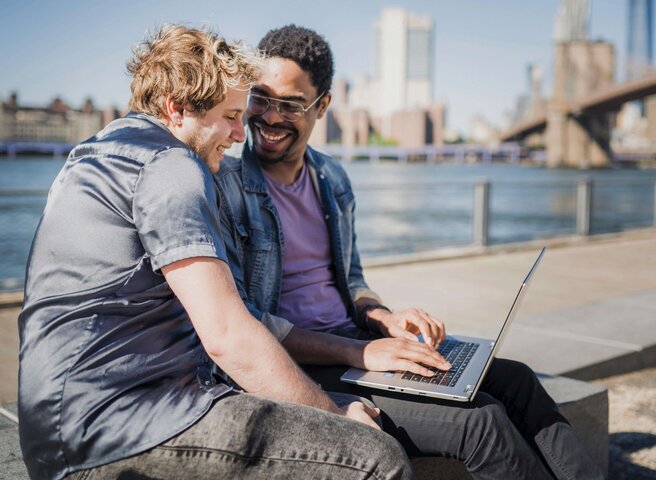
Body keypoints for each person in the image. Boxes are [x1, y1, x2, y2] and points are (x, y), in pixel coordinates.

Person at [17, 24, 413, 480]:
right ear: (177, 108)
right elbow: (227, 336)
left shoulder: (102, 149)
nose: (239, 133)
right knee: (374, 457)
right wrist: (336, 416)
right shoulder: (171, 168)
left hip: (67, 420)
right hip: (116, 424)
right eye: (229, 116)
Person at [215, 24, 605, 480]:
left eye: (291, 104)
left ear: (322, 106)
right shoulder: (227, 184)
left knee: (515, 379)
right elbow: (244, 321)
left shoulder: (331, 178)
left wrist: (385, 319)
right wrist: (360, 353)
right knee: (480, 422)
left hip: (354, 345)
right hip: (297, 366)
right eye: (260, 98)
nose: (270, 116)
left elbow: (352, 279)